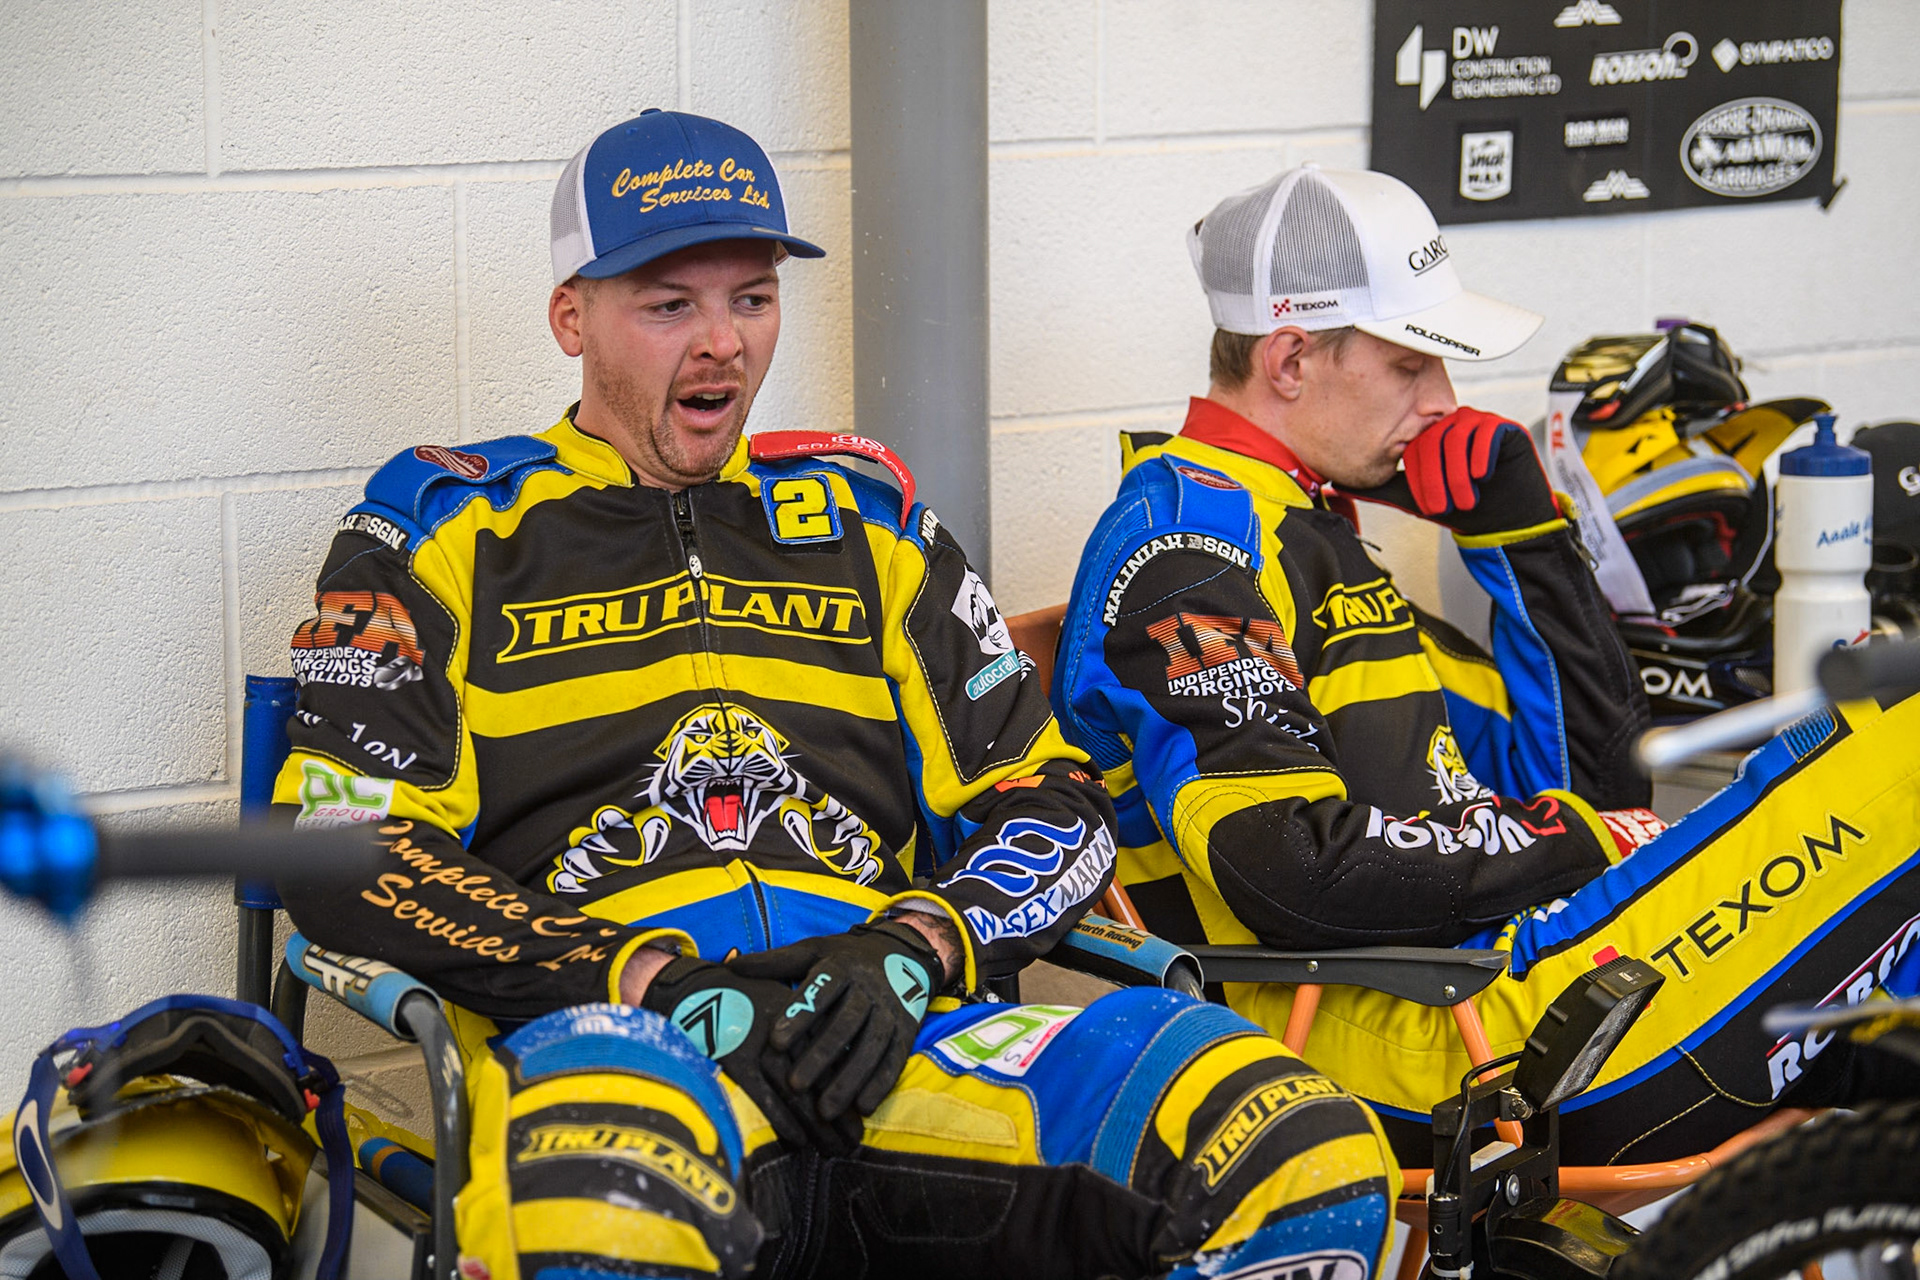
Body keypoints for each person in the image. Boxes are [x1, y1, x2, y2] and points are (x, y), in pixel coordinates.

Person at [273, 113, 1398, 1279]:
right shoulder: (437, 528)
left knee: (1295, 1146)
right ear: (572, 315)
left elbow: (1060, 803)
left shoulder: (872, 523)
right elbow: (351, 851)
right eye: (670, 305)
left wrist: (912, 948)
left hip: (893, 1033)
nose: (721, 345)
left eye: (751, 299)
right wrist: (644, 979)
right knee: (602, 1208)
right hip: (628, 1047)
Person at [1052, 163, 1920, 1167]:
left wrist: (1526, 540)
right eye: (1413, 364)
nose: (1445, 400)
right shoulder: (1190, 551)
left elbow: (1596, 774)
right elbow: (1293, 870)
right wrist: (1573, 840)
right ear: (1290, 360)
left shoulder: (1316, 533)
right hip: (1428, 1039)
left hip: (1519, 984)